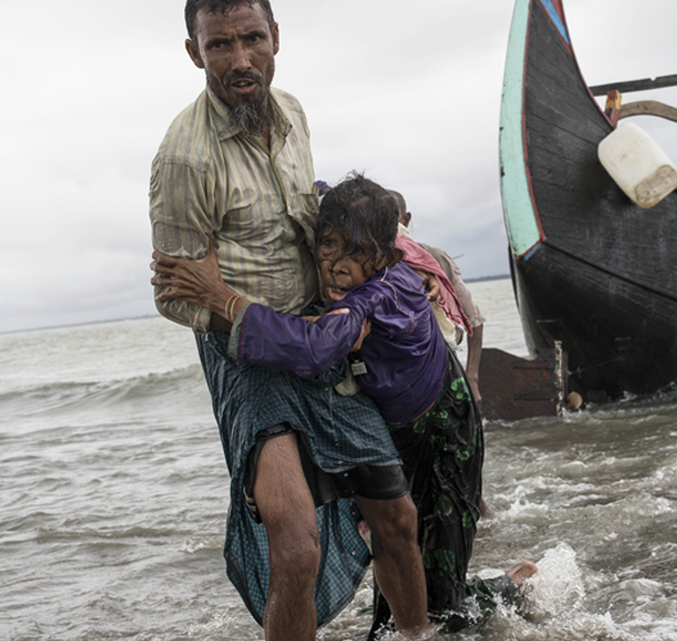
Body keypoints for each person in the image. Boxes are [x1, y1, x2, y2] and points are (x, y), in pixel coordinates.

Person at [152, 174, 537, 637]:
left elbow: (312, 348)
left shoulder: (377, 296)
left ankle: (513, 587)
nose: (338, 266)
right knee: (394, 599)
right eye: (329, 245)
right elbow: (312, 191)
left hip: (444, 429)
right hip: (399, 432)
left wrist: (225, 300)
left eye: (358, 254)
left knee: (442, 601)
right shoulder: (361, 269)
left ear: (386, 258)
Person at [148, 2, 426, 639]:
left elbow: (309, 219)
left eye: (252, 39)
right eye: (220, 46)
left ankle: (419, 635)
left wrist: (372, 243)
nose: (241, 60)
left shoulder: (294, 113)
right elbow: (176, 294)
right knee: (296, 547)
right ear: (195, 53)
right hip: (246, 357)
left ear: (276, 38)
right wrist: (237, 310)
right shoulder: (184, 160)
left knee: (397, 516)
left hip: (320, 337)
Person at [389, 190, 486, 406]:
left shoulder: (435, 259)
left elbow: (474, 321)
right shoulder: (371, 263)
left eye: (391, 217)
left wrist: (472, 378)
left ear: (405, 219)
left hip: (441, 367)